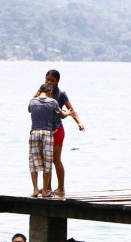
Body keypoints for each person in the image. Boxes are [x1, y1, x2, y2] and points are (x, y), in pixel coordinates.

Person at [42, 69, 85, 197]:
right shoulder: (42, 93)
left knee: (56, 159)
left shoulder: (61, 94)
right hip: (45, 131)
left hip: (57, 131)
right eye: (47, 79)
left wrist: (79, 123)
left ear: (57, 82)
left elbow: (71, 110)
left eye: (52, 80)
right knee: (46, 160)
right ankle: (47, 188)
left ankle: (61, 188)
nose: (49, 82)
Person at [28, 83, 70, 198]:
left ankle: (36, 189)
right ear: (50, 92)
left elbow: (29, 110)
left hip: (34, 133)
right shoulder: (52, 102)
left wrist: (35, 95)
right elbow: (62, 115)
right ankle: (45, 191)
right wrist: (68, 113)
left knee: (33, 162)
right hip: (46, 133)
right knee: (47, 163)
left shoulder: (32, 101)